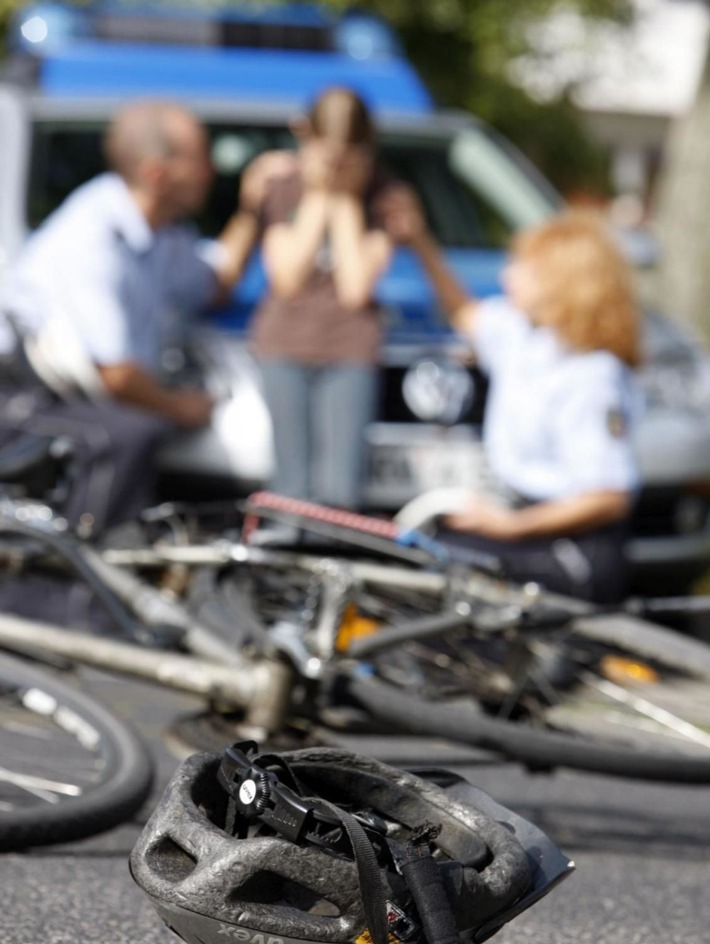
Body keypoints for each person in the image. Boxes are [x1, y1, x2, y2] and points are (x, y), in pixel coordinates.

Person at [0, 99, 256, 535]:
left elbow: (215, 283)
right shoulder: (93, 237)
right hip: (20, 396)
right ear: (157, 173)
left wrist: (254, 211)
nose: (211, 171)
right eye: (199, 158)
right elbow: (117, 375)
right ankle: (84, 586)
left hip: (77, 391)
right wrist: (183, 407)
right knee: (129, 435)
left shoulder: (165, 234)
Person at [383, 195, 642, 603]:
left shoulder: (593, 374)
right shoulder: (524, 336)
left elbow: (608, 497)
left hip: (570, 545)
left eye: (522, 267)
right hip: (523, 523)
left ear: (561, 281)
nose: (507, 277)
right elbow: (464, 312)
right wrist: (420, 243)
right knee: (417, 549)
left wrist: (509, 526)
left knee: (438, 569)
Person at [237, 86, 397, 511]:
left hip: (349, 350)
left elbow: (356, 287)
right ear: (304, 135)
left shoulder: (384, 196)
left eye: (348, 152)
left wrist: (344, 200)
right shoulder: (282, 187)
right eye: (328, 150)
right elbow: (288, 277)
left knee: (339, 488)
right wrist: (316, 194)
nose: (337, 161)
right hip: (283, 347)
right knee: (290, 484)